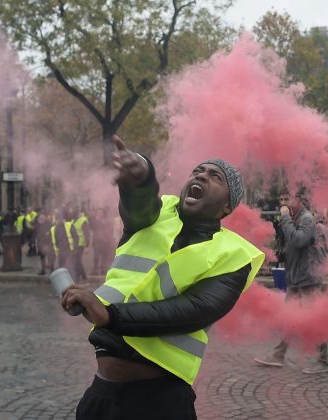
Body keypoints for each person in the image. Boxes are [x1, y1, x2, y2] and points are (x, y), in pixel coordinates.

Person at [60, 135, 264, 419]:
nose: (202, 175)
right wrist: (141, 177)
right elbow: (140, 202)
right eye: (198, 171)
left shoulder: (235, 254)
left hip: (161, 402)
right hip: (101, 396)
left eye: (215, 176)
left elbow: (195, 310)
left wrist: (110, 315)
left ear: (227, 207)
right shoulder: (157, 214)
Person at [254, 188, 328, 374]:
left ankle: (323, 361)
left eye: (287, 199)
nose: (283, 203)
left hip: (308, 279)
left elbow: (299, 240)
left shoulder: (306, 218)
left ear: (298, 199)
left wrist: (286, 219)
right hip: (297, 278)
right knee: (289, 319)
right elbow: (291, 246)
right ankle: (278, 355)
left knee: (315, 320)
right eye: (282, 199)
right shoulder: (295, 218)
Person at [51, 207, 76, 276]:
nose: (60, 220)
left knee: (70, 265)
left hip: (70, 249)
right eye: (58, 219)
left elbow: (75, 237)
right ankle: (64, 277)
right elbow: (53, 240)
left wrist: (75, 248)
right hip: (60, 250)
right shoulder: (54, 229)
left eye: (61, 218)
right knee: (61, 265)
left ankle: (72, 278)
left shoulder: (69, 225)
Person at [90, 208, 114, 275]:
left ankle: (103, 270)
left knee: (103, 257)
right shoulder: (95, 220)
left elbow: (109, 230)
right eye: (98, 212)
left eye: (101, 213)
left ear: (104, 214)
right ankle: (95, 270)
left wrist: (110, 241)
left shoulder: (106, 221)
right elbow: (91, 227)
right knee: (96, 257)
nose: (99, 214)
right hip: (96, 241)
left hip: (104, 241)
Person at [73, 210, 91, 281]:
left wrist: (87, 246)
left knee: (77, 260)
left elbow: (87, 234)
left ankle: (78, 276)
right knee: (77, 260)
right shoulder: (75, 220)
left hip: (81, 244)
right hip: (76, 244)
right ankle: (83, 276)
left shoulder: (83, 220)